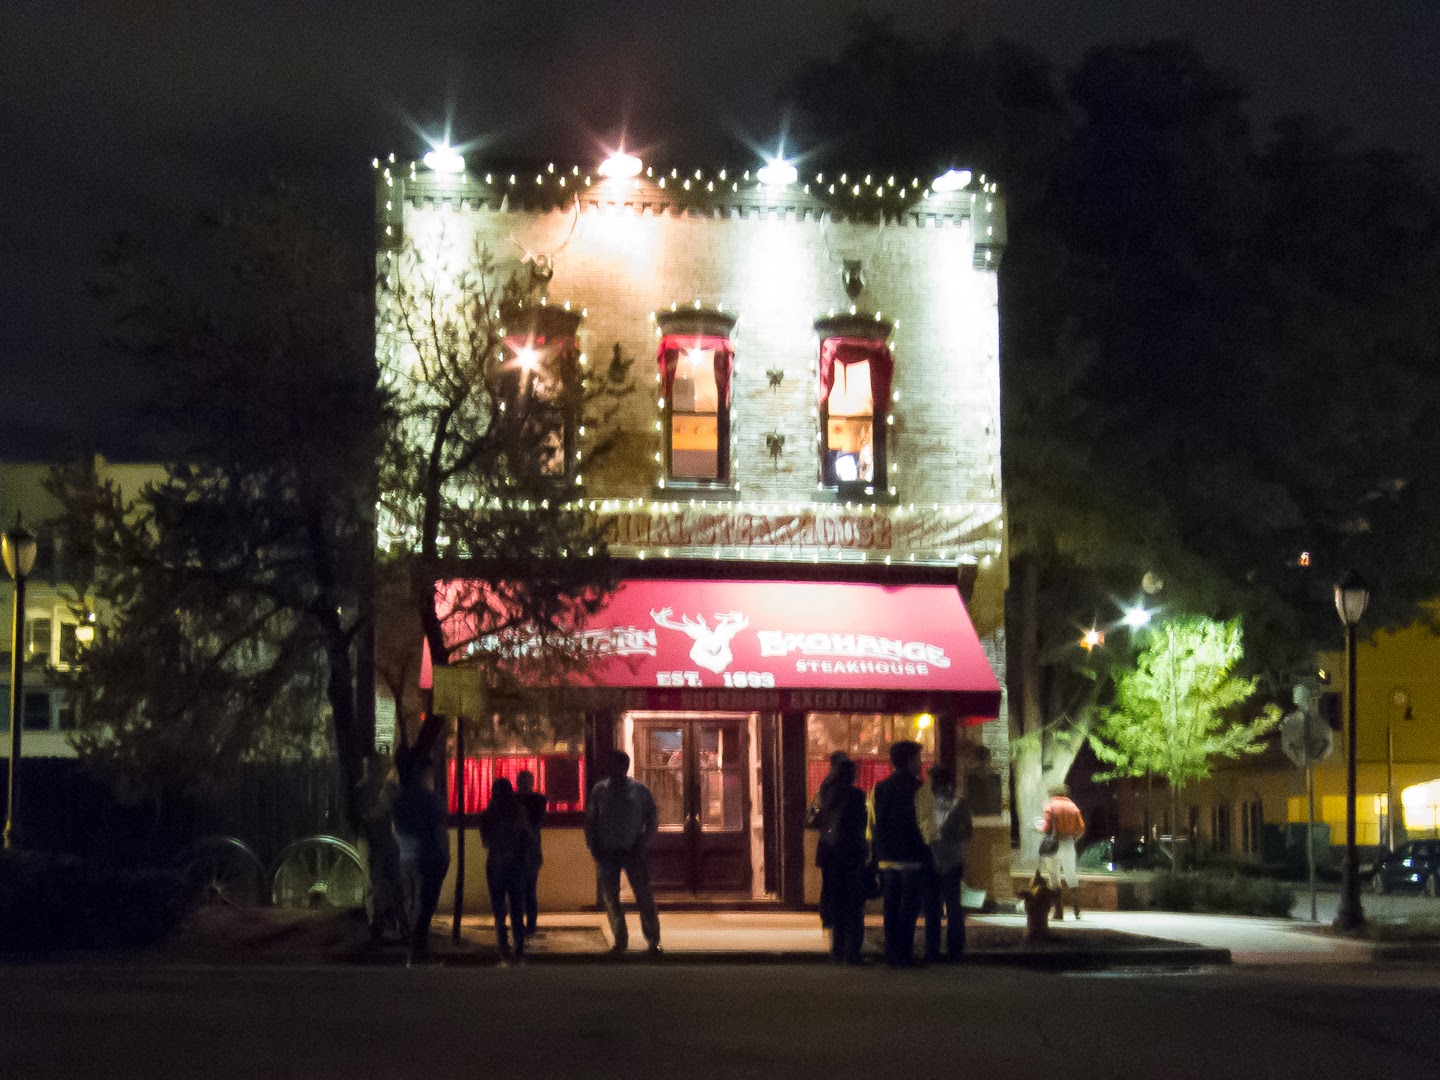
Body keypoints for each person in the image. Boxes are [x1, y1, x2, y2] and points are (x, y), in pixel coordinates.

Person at [584, 750, 661, 954]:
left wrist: (643, 843)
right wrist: (593, 846)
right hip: (607, 851)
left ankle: (653, 940)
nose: (611, 769)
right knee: (610, 897)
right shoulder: (599, 790)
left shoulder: (639, 791)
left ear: (624, 767)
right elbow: (591, 820)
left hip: (633, 851)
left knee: (644, 896)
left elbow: (652, 817)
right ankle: (620, 940)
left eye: (615, 765)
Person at [869, 740, 930, 966]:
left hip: (887, 857)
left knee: (891, 906)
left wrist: (877, 853)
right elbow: (926, 825)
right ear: (909, 760)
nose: (920, 763)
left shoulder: (879, 788)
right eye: (917, 758)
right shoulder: (920, 789)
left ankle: (892, 953)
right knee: (909, 907)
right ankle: (904, 953)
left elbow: (874, 823)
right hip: (912, 856)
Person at [390, 746, 451, 966]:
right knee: (424, 907)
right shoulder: (431, 800)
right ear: (424, 772)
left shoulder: (398, 799)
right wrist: (444, 857)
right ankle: (417, 954)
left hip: (404, 857)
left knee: (413, 904)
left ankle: (418, 954)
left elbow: (396, 828)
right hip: (427, 858)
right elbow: (438, 832)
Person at [916, 764, 973, 962]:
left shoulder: (955, 802)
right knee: (943, 907)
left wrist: (948, 834)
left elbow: (968, 831)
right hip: (942, 858)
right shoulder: (936, 802)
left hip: (942, 859)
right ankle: (946, 951)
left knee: (942, 907)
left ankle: (942, 951)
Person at [815, 758, 869, 964]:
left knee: (836, 902)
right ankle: (853, 952)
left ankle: (837, 950)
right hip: (850, 854)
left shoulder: (827, 793)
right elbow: (860, 825)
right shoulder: (856, 795)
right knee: (854, 905)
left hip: (829, 855)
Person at [480, 776, 532, 965]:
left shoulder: (488, 813)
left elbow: (485, 841)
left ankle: (503, 950)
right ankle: (518, 951)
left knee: (499, 912)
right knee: (517, 909)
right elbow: (526, 837)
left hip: (495, 865)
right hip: (516, 865)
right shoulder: (518, 812)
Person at [809, 750, 851, 929]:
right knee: (840, 883)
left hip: (826, 842)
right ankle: (835, 917)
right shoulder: (844, 790)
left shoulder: (825, 785)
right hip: (839, 843)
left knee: (828, 883)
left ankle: (827, 916)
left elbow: (820, 808)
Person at [1037, 783, 1085, 920]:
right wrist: (1072, 839)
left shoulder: (1050, 806)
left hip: (1053, 845)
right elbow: (1081, 828)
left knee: (1054, 877)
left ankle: (1059, 912)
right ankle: (1077, 910)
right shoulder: (1073, 807)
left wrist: (1038, 828)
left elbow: (1046, 828)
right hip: (1069, 844)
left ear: (1052, 793)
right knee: (1071, 875)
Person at [516, 769, 548, 936]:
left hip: (529, 850)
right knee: (522, 891)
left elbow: (538, 820)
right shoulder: (516, 800)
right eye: (525, 782)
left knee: (527, 890)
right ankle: (523, 926)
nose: (526, 785)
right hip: (520, 850)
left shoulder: (536, 800)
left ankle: (529, 926)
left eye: (528, 782)